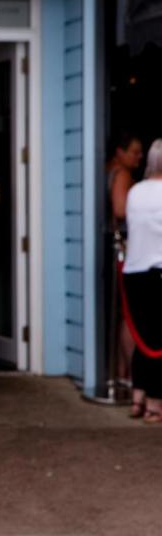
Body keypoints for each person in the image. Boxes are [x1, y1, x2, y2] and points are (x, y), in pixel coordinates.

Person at [122, 138, 162, 423]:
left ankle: (137, 397)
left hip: (133, 272)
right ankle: (155, 403)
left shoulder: (135, 191)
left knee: (142, 336)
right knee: (158, 338)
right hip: (158, 270)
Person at [106, 131, 143, 391]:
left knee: (121, 313)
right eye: (134, 152)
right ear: (120, 152)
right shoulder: (122, 174)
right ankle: (127, 373)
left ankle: (120, 371)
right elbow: (120, 209)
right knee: (128, 315)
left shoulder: (106, 169)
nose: (139, 158)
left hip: (107, 244)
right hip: (122, 245)